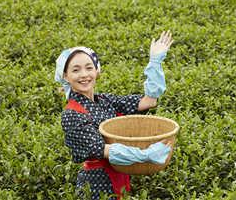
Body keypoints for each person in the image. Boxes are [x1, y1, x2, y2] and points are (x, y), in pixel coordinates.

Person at [55, 31, 174, 200]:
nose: (84, 75)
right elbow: (100, 149)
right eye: (76, 70)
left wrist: (155, 61)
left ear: (97, 71)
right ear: (65, 76)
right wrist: (145, 155)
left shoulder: (105, 100)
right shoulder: (72, 114)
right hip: (96, 183)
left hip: (121, 173)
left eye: (89, 68)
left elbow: (148, 101)